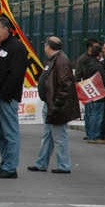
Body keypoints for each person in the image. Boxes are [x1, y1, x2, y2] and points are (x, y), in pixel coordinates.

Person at [27, 36, 79, 174]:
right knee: (48, 136)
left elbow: (65, 85)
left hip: (56, 105)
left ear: (48, 47)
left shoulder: (61, 61)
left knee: (59, 136)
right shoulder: (55, 60)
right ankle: (41, 163)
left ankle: (63, 165)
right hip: (51, 104)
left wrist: (56, 104)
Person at [0, 16, 27, 178]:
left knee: (10, 132)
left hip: (6, 98)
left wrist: (4, 95)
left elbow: (16, 75)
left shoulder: (17, 47)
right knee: (1, 133)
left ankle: (10, 166)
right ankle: (4, 163)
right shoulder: (0, 46)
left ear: (6, 29)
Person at [76, 39, 105, 144]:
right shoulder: (97, 65)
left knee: (89, 113)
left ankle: (90, 134)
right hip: (97, 92)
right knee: (96, 114)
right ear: (99, 54)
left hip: (88, 91)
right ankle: (95, 136)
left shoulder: (87, 63)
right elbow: (103, 78)